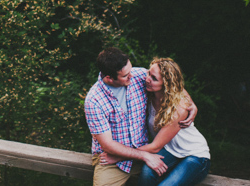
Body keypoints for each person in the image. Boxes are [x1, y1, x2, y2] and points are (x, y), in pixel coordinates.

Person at [84, 48, 198, 186]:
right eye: (125, 75)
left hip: (145, 150)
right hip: (112, 160)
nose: (131, 76)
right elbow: (108, 145)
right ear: (109, 78)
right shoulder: (94, 100)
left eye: (130, 70)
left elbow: (171, 83)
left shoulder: (139, 76)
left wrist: (191, 104)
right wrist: (144, 155)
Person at [133, 57, 211, 186]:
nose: (147, 79)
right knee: (146, 173)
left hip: (195, 155)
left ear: (166, 84)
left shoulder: (178, 107)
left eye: (154, 78)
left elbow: (155, 147)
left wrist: (119, 155)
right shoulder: (150, 94)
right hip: (170, 150)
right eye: (149, 73)